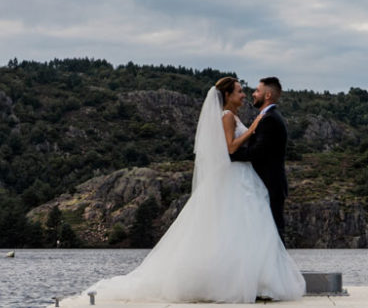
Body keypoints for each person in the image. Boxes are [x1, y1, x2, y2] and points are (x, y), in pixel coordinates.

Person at [84, 77, 306, 303]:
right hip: (238, 177)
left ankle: (252, 280)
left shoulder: (243, 116)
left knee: (244, 229)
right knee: (244, 227)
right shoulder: (229, 116)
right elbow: (230, 149)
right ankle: (245, 282)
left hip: (246, 178)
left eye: (249, 91)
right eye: (240, 91)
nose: (245, 95)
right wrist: (251, 131)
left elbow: (240, 150)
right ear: (227, 96)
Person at [230, 76, 289, 242]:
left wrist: (228, 156)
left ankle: (278, 268)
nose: (253, 94)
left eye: (257, 91)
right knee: (267, 233)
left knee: (274, 234)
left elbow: (257, 152)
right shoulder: (267, 118)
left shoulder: (269, 119)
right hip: (265, 184)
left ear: (267, 95)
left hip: (269, 185)